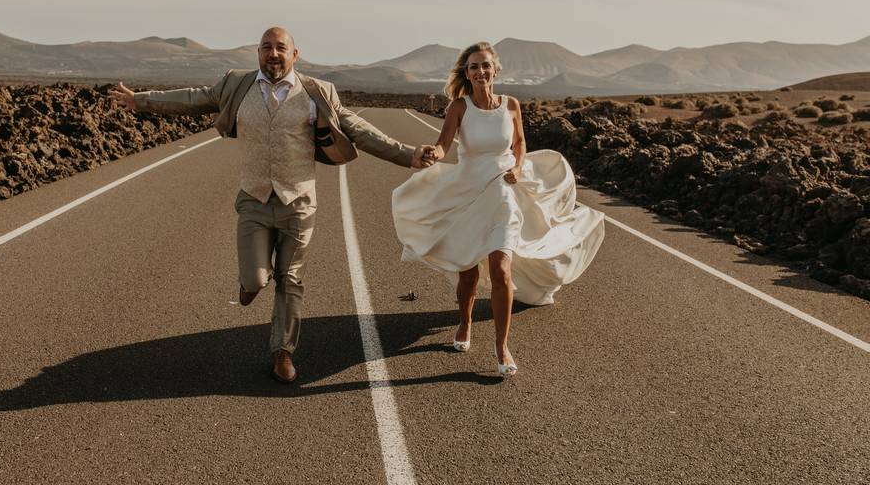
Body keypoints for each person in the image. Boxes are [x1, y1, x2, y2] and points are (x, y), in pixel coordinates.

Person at [110, 26, 435, 384]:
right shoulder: (237, 84)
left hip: (299, 203)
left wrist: (408, 154)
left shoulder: (317, 92)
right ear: (258, 52)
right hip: (254, 198)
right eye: (267, 47)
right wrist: (140, 100)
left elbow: (358, 129)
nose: (273, 53)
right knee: (255, 279)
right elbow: (193, 98)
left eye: (281, 47)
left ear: (295, 54)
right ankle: (250, 283)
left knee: (290, 278)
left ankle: (282, 352)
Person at [391, 42, 605, 378]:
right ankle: (465, 322)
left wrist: (518, 168)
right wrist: (433, 151)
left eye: (485, 66)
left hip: (504, 192)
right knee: (468, 271)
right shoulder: (459, 107)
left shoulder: (511, 105)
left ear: (496, 69)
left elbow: (519, 144)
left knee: (500, 268)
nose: (480, 72)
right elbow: (445, 144)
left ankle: (501, 345)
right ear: (467, 73)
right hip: (468, 194)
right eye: (473, 67)